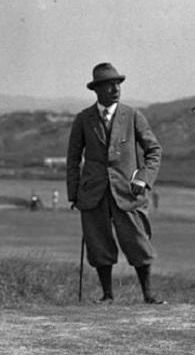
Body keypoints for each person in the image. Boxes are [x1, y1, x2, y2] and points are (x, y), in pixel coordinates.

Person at [66, 62, 164, 304]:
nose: (115, 89)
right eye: (109, 85)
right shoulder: (83, 119)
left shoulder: (132, 116)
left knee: (139, 244)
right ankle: (107, 295)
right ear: (96, 89)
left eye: (118, 84)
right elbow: (73, 159)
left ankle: (148, 295)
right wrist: (74, 195)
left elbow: (154, 150)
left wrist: (143, 179)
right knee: (98, 245)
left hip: (128, 193)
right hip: (93, 194)